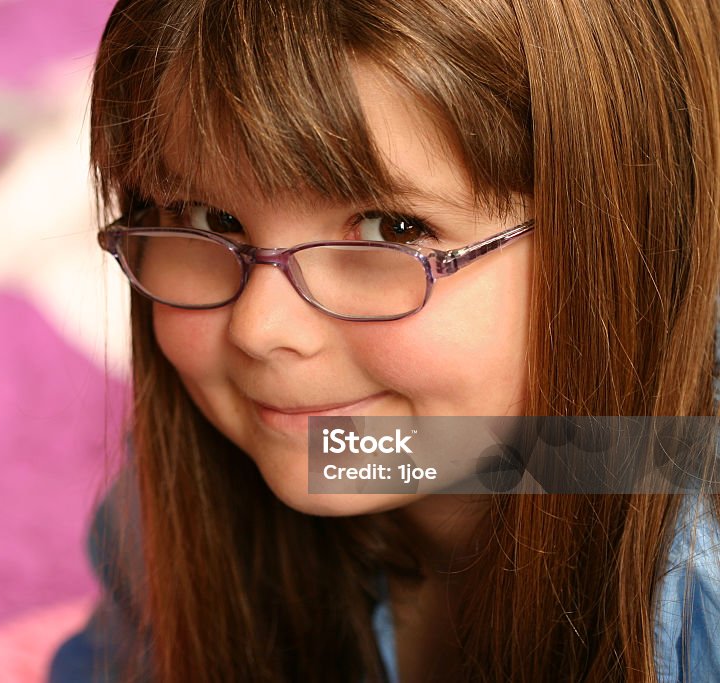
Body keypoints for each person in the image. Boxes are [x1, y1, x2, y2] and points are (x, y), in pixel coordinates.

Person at [50, 0, 720, 680]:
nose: (261, 330)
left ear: (626, 232)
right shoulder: (184, 502)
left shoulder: (699, 594)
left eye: (391, 229)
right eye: (207, 217)